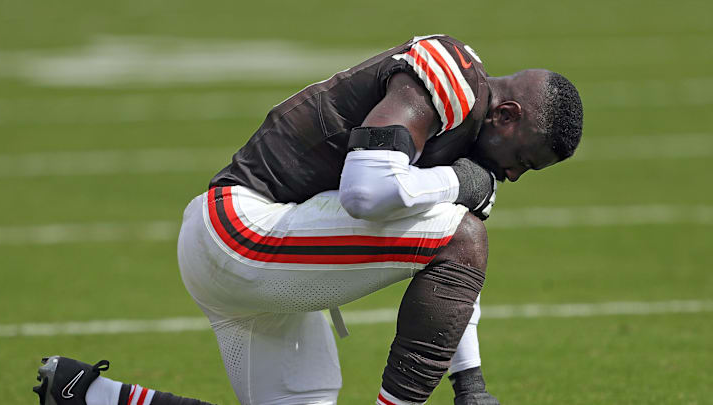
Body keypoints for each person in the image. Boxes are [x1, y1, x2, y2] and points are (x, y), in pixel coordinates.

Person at [33, 34, 583, 405]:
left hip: (248, 250)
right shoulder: (451, 78)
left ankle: (91, 393)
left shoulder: (475, 141)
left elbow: (456, 277)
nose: (513, 176)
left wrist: (471, 383)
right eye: (523, 161)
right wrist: (460, 184)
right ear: (507, 116)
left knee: (459, 231)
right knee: (462, 232)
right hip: (242, 229)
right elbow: (368, 193)